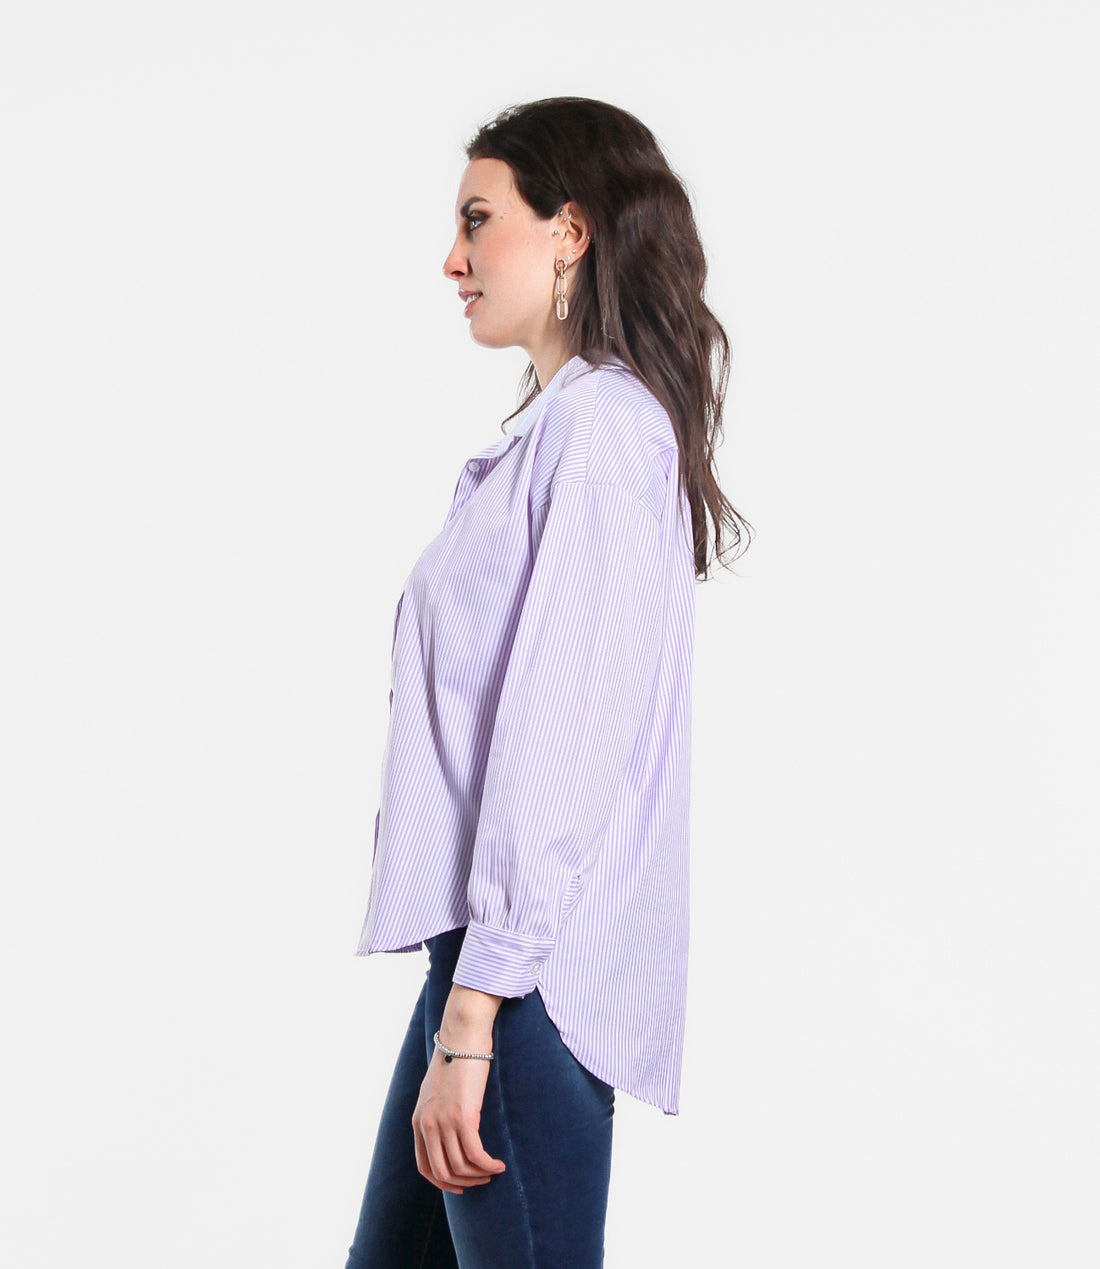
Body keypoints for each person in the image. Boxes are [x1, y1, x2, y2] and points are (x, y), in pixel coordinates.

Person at [343, 96, 752, 1269]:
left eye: (478, 220)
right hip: (484, 972)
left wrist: (477, 1014)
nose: (451, 257)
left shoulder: (604, 433)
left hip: (521, 989)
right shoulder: (563, 431)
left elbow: (558, 743)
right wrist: (463, 1000)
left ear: (568, 232)